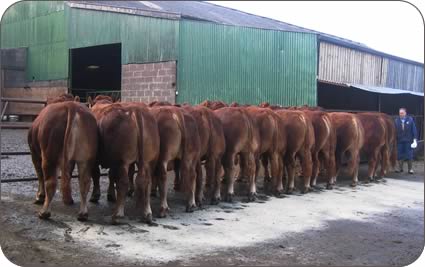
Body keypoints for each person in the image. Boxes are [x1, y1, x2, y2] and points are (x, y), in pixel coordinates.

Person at [394, 108, 418, 174]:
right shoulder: (396, 121)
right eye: (399, 113)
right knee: (399, 155)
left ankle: (410, 169)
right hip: (400, 141)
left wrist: (415, 139)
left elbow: (414, 130)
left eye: (402, 113)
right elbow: (394, 132)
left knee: (409, 155)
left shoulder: (410, 120)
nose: (400, 114)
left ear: (405, 113)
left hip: (408, 141)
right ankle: (400, 168)